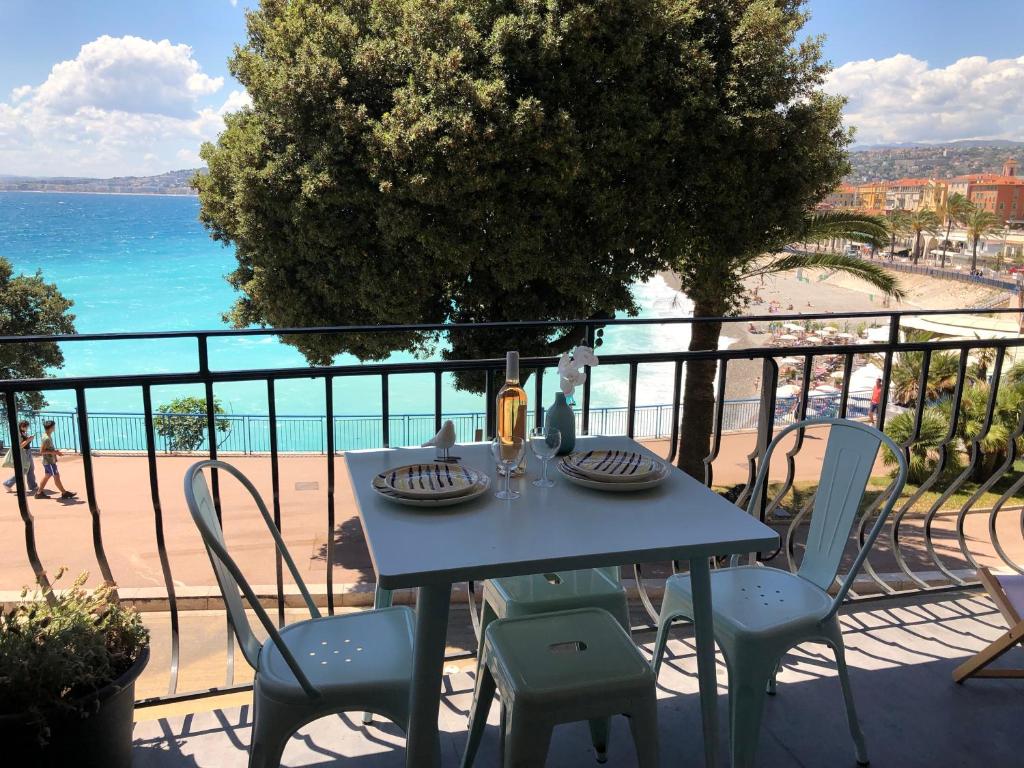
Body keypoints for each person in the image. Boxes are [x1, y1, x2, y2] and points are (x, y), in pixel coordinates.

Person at [35, 420, 76, 499]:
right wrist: (55, 453)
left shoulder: (47, 435)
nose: (54, 428)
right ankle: (64, 493)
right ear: (50, 428)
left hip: (49, 461)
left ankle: (39, 493)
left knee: (47, 476)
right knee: (56, 476)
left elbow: (47, 449)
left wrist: (55, 452)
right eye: (54, 426)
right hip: (49, 462)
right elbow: (42, 451)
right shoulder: (46, 438)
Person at [3, 420, 38, 493]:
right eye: (24, 426)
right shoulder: (18, 434)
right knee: (23, 470)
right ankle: (8, 483)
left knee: (30, 468)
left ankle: (33, 485)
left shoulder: (23, 432)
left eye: (27, 426)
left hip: (27, 452)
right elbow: (20, 445)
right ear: (20, 426)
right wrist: (28, 440)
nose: (26, 427)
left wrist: (29, 438)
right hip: (23, 453)